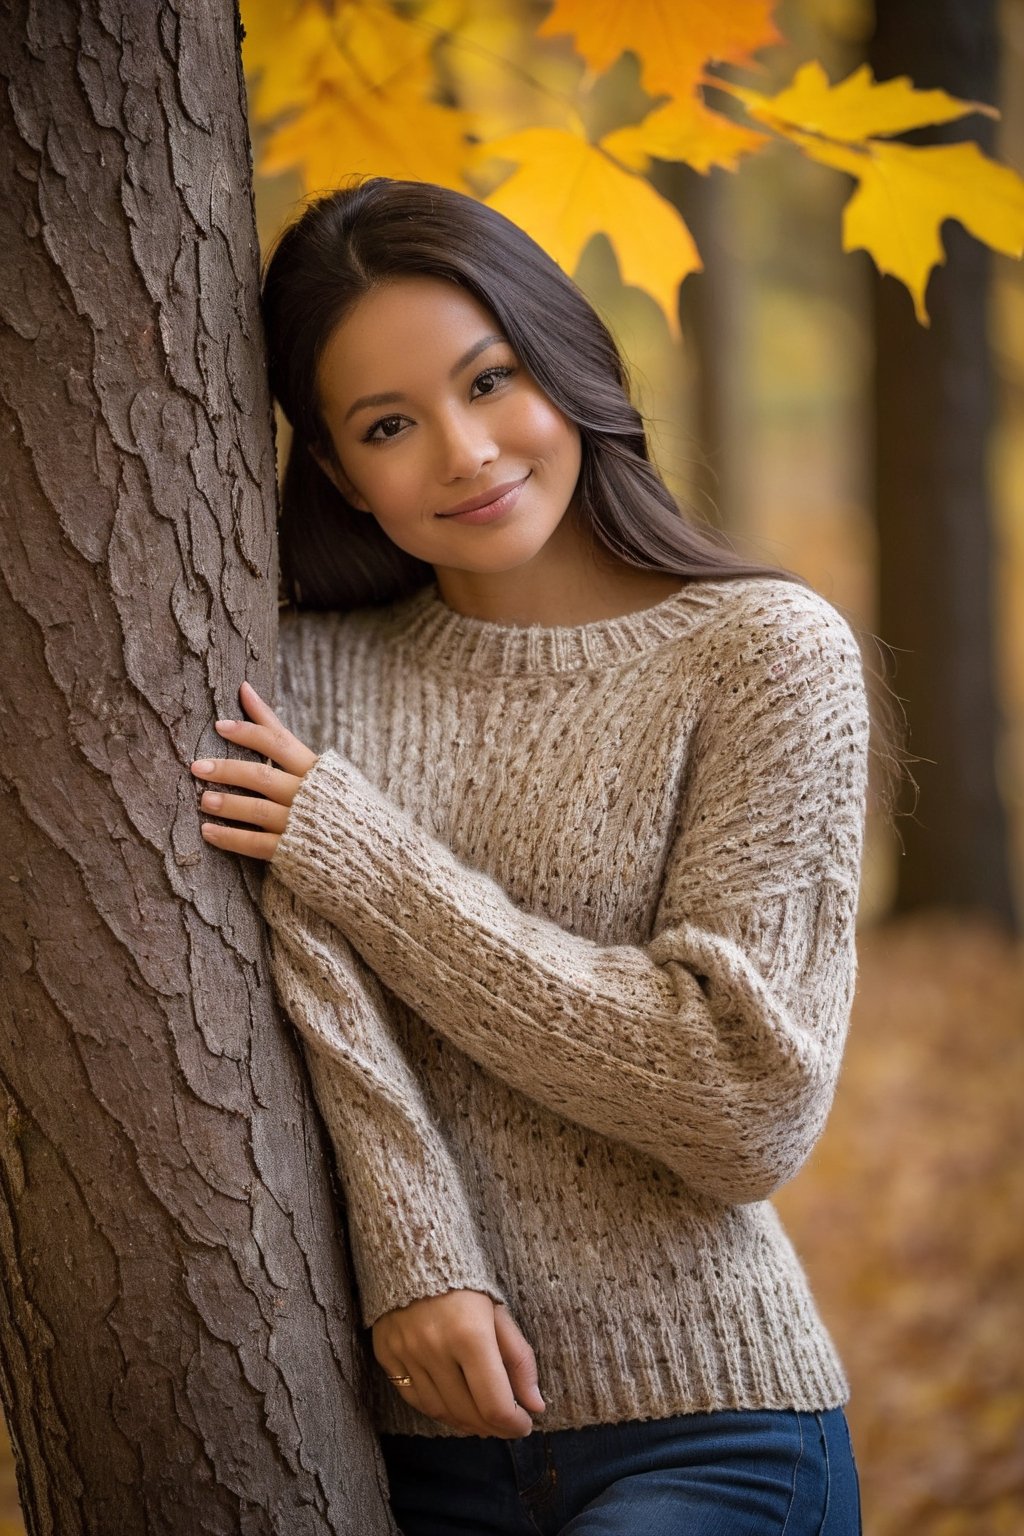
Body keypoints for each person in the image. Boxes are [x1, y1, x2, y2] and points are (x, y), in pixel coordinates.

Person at [189, 177, 878, 1534]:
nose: (465, 451)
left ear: (566, 364)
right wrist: (420, 1260)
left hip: (710, 1430)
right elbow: (320, 990)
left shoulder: (762, 655)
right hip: (386, 1448)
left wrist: (372, 859)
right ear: (335, 471)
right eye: (390, 424)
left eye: (490, 379)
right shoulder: (297, 674)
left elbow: (740, 1099)